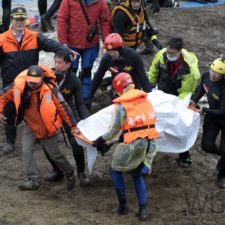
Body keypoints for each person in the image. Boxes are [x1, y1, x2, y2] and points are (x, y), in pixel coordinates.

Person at [0, 7, 75, 154]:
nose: (20, 22)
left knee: (35, 109)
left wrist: (65, 51)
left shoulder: (34, 37)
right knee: (11, 111)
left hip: (32, 82)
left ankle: (39, 136)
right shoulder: (2, 39)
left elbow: (51, 44)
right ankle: (10, 141)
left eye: (22, 19)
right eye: (17, 19)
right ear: (11, 21)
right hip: (12, 85)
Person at [93, 72, 159, 221]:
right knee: (137, 174)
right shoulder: (145, 99)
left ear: (118, 89)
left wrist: (101, 140)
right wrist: (114, 141)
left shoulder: (121, 104)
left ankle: (123, 206)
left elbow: (114, 129)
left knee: (115, 171)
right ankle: (143, 210)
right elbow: (141, 125)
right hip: (150, 142)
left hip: (133, 145)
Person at [0, 65, 78, 191]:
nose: (32, 84)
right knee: (26, 151)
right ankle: (32, 179)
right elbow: (2, 97)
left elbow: (63, 107)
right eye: (30, 81)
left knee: (56, 155)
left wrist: (73, 126)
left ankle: (69, 173)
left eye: (35, 82)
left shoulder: (51, 89)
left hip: (47, 128)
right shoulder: (19, 87)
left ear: (42, 79)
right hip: (30, 125)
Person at [148, 37, 200, 167]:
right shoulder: (161, 55)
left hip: (178, 96)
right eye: (168, 51)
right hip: (161, 92)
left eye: (172, 53)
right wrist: (150, 87)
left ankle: (184, 155)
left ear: (179, 52)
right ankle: (150, 152)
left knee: (180, 126)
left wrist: (177, 106)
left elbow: (186, 90)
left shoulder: (189, 68)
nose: (169, 55)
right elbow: (154, 72)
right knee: (154, 122)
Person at [44, 49, 90, 185]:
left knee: (76, 144)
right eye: (55, 62)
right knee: (46, 143)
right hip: (49, 114)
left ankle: (81, 172)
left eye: (60, 63)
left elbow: (80, 104)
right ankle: (57, 170)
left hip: (67, 114)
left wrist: (86, 120)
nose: (57, 65)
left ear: (69, 64)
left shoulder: (74, 81)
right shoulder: (47, 75)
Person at [57, 0, 111, 102]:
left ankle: (86, 98)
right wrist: (63, 42)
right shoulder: (68, 1)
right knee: (71, 70)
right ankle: (69, 97)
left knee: (87, 70)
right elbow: (62, 19)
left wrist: (107, 42)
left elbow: (105, 21)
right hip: (72, 44)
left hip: (90, 44)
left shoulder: (100, 2)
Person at [87, 33, 152, 108]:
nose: (111, 54)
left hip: (133, 92)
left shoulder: (133, 56)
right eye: (109, 51)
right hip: (116, 94)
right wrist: (89, 97)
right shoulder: (106, 59)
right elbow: (97, 77)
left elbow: (143, 78)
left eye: (113, 51)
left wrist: (149, 97)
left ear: (120, 49)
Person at [190, 55, 225, 189]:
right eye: (212, 70)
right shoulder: (206, 76)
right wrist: (193, 100)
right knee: (207, 146)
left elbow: (223, 111)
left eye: (218, 74)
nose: (213, 75)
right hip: (212, 118)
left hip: (222, 116)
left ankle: (222, 174)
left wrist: (203, 111)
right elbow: (201, 90)